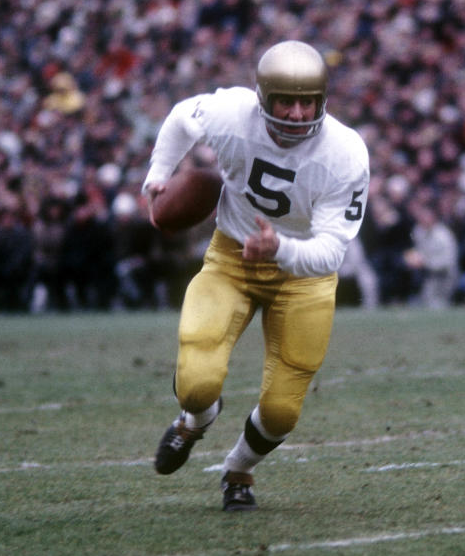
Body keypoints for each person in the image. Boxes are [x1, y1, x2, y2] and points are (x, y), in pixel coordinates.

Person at [143, 40, 369, 512]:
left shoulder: (345, 152)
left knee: (283, 411)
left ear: (323, 100)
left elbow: (329, 253)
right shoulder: (232, 113)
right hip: (233, 259)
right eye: (285, 100)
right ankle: (196, 419)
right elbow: (184, 115)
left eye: (306, 100)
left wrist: (279, 247)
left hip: (303, 276)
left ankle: (238, 469)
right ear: (263, 96)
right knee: (196, 383)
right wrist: (159, 173)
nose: (295, 112)